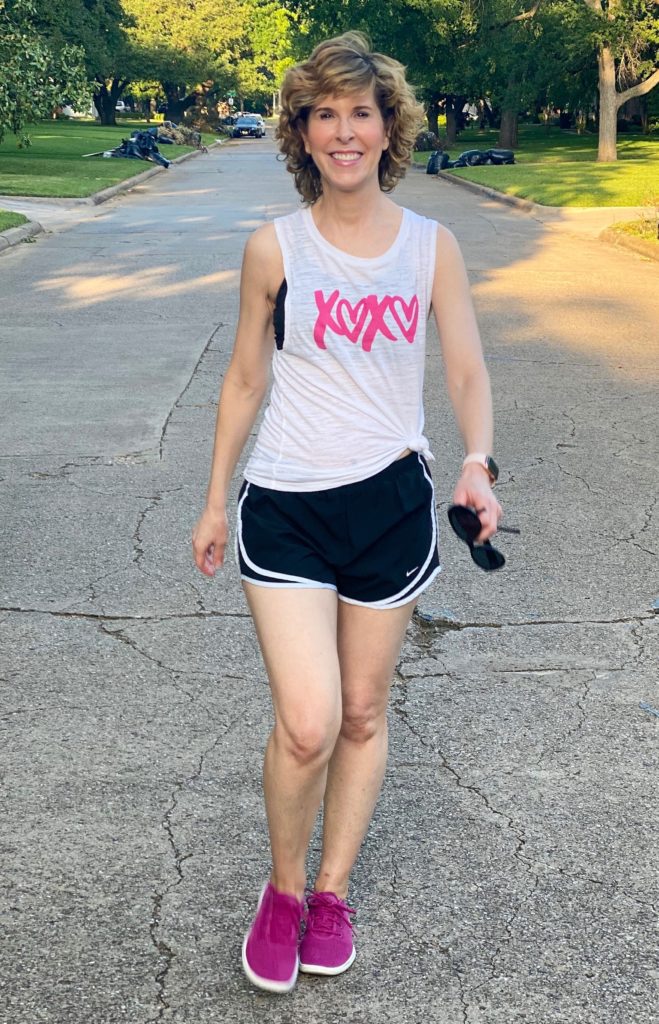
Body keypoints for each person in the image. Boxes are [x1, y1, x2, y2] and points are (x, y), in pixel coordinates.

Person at [192, 31, 502, 994]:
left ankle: (330, 892)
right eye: (322, 113)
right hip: (284, 502)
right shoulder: (271, 249)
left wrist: (477, 462)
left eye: (358, 112)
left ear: (387, 128)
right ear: (301, 132)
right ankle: (280, 894)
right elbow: (245, 377)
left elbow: (463, 366)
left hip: (389, 504)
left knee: (364, 712)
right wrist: (214, 499)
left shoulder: (428, 247)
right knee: (309, 722)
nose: (342, 131)